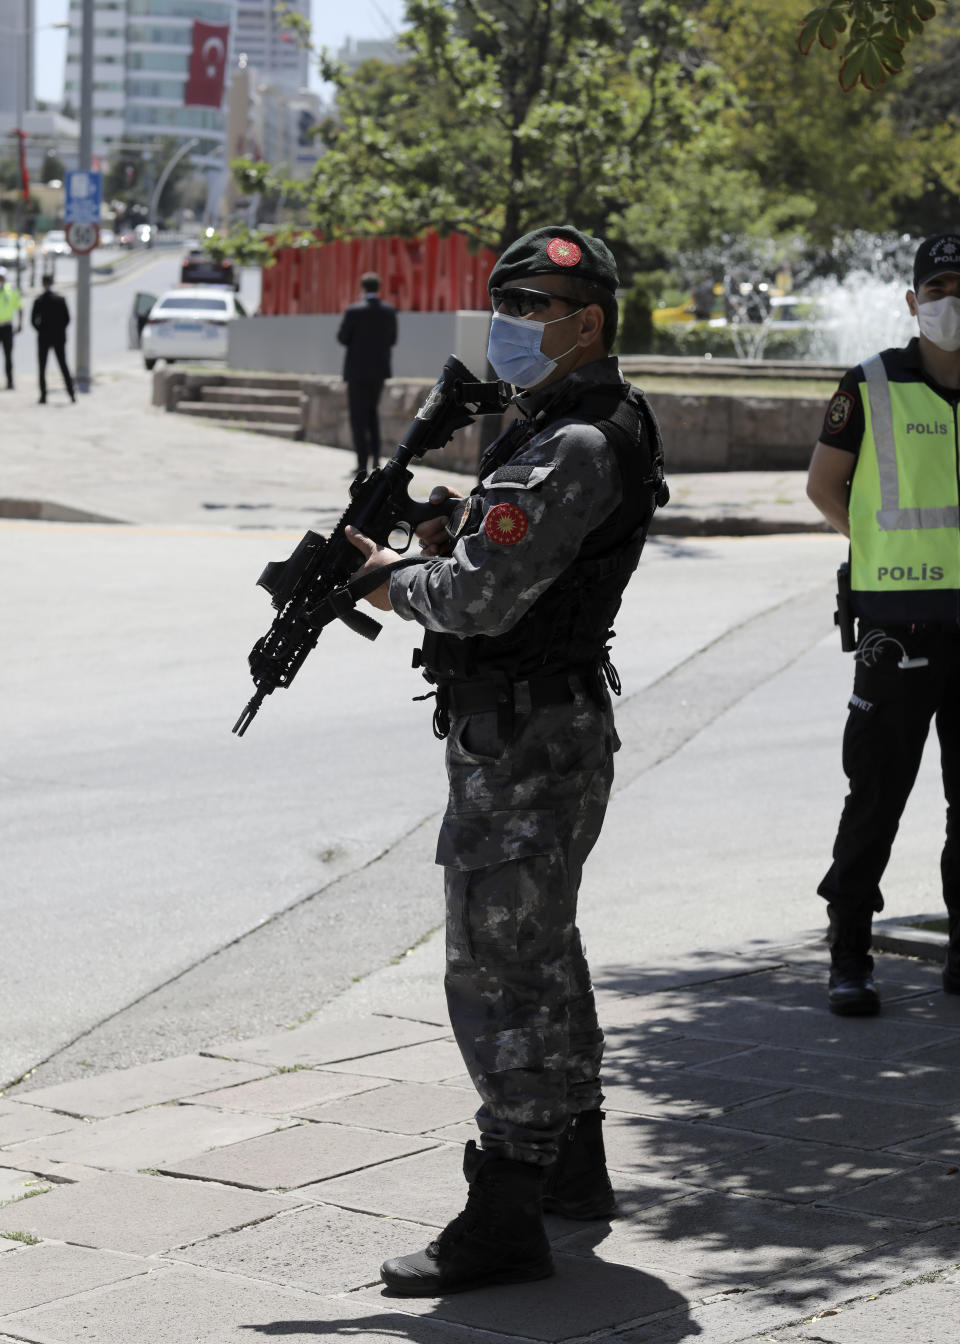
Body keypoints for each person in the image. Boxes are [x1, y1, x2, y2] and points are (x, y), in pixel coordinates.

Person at [344, 225, 667, 1295]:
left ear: (589, 324)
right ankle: (571, 1165)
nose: (512, 325)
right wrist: (449, 533)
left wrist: (394, 582)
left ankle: (505, 1213)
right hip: (536, 725)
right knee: (543, 950)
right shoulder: (560, 423)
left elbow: (483, 597)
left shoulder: (578, 439)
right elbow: (509, 555)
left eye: (533, 309)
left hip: (530, 739)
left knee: (496, 970)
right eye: (506, 303)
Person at [807, 232, 960, 1017]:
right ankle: (850, 956)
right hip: (899, 628)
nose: (951, 301)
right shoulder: (869, 385)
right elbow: (825, 486)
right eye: (938, 287)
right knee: (876, 796)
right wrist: (882, 555)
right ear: (912, 301)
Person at [336, 271, 398, 475]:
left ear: (362, 288)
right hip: (379, 371)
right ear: (378, 288)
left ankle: (362, 464)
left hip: (357, 372)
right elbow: (392, 339)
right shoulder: (389, 311)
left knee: (358, 418)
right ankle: (376, 461)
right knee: (373, 416)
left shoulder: (354, 311)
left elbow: (343, 337)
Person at [31, 274, 76, 405]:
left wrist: (41, 330)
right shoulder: (59, 299)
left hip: (44, 338)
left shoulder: (39, 300)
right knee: (63, 366)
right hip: (58, 338)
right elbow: (67, 319)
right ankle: (71, 393)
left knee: (43, 367)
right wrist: (59, 330)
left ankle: (43, 396)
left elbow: (33, 321)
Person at [0, 267, 23, 390]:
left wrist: (20, 323)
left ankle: (10, 381)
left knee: (8, 355)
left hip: (7, 326)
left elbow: (19, 306)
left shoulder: (11, 291)